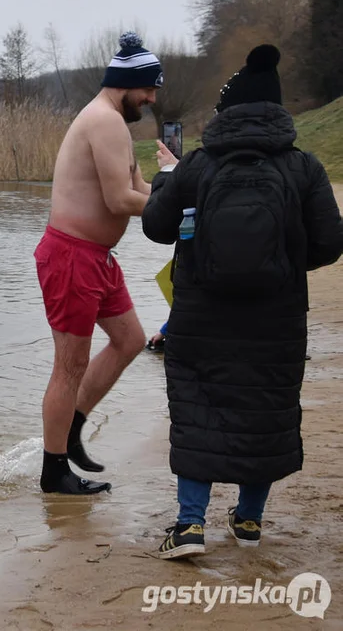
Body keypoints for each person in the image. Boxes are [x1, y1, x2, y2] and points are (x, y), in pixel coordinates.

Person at [143, 44, 343, 559]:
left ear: (225, 114)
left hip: (199, 316)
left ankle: (189, 527)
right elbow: (329, 244)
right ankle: (249, 520)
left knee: (195, 410)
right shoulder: (305, 168)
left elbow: (155, 227)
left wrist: (168, 176)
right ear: (278, 111)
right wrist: (283, 263)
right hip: (276, 320)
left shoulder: (198, 165)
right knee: (266, 409)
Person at [33, 32, 168, 495]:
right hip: (71, 255)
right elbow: (119, 200)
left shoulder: (115, 124)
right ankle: (54, 471)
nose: (151, 99)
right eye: (148, 89)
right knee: (68, 366)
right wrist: (167, 208)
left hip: (95, 258)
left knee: (129, 339)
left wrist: (182, 193)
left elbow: (139, 185)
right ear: (127, 82)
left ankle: (70, 431)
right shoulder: (104, 121)